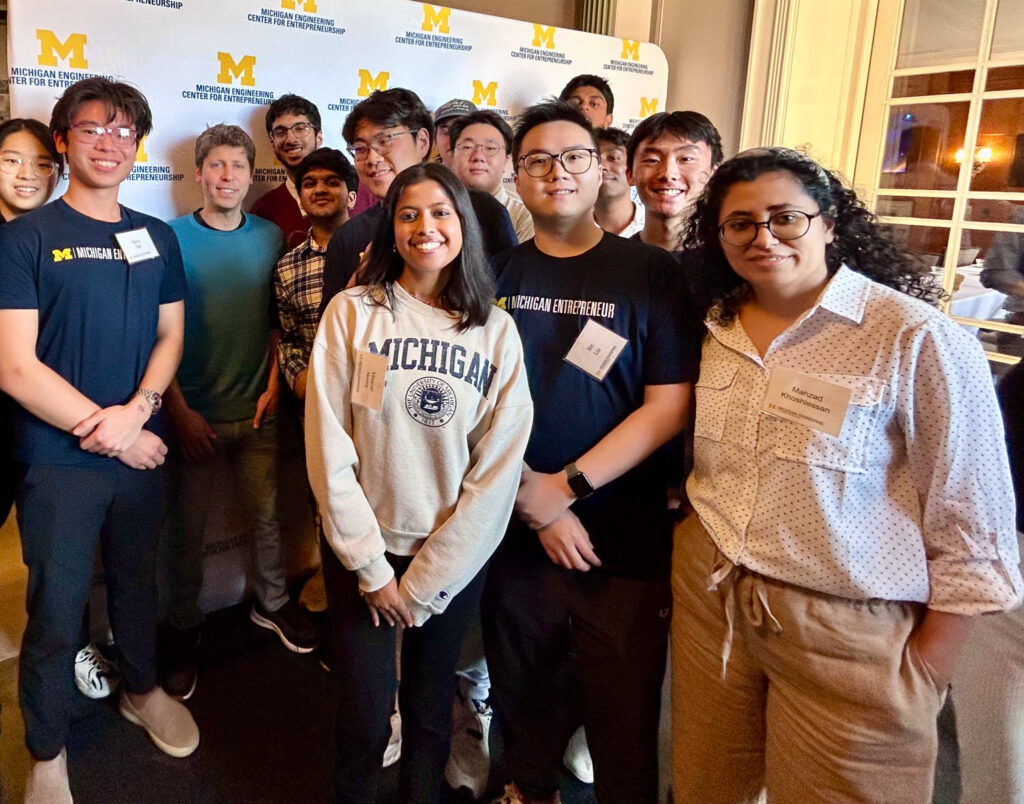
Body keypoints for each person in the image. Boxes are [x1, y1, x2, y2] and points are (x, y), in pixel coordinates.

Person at [672, 146, 1023, 802]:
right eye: (740, 223)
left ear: (830, 223)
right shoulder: (717, 328)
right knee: (705, 787)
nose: (763, 237)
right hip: (715, 597)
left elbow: (972, 517)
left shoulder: (914, 338)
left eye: (786, 218)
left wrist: (922, 668)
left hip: (848, 625)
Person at [483, 101, 698, 804]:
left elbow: (668, 404)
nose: (558, 172)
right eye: (538, 160)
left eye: (574, 156)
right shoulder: (492, 275)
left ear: (603, 169)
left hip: (622, 535)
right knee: (523, 693)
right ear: (517, 178)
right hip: (512, 528)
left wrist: (565, 490)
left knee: (623, 714)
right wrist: (530, 498)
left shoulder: (649, 273)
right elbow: (467, 407)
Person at [305, 161, 532, 803]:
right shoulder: (354, 314)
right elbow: (328, 445)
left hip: (450, 557)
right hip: (363, 550)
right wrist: (372, 568)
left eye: (440, 213)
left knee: (431, 712)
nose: (424, 227)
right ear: (389, 227)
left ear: (463, 225)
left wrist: (429, 578)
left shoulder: (496, 331)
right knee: (365, 717)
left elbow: (497, 470)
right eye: (408, 214)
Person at [0, 77, 197, 802]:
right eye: (91, 129)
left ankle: (141, 690)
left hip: (141, 448)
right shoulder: (26, 237)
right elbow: (15, 367)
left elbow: (172, 334)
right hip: (59, 460)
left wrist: (139, 411)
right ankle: (46, 747)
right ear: (63, 141)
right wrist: (110, 431)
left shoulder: (157, 236)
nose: (109, 143)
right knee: (56, 608)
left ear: (138, 146)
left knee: (138, 587)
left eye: (123, 132)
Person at [160, 124, 316, 700]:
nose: (227, 177)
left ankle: (272, 605)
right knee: (185, 536)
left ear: (254, 176)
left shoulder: (274, 237)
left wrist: (274, 388)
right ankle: (180, 631)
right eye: (217, 166)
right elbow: (158, 333)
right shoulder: (170, 237)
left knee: (269, 519)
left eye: (238, 167)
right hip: (191, 418)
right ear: (199, 173)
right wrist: (177, 411)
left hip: (259, 413)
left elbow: (282, 326)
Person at [319, 88, 516, 317]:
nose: (372, 158)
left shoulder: (483, 211)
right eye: (361, 149)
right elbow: (334, 327)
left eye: (385, 141)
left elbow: (510, 303)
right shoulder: (348, 236)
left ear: (422, 141)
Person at [276, 148, 358, 405]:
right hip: (317, 406)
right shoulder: (288, 266)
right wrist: (301, 379)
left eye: (332, 182)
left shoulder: (376, 252)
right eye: (310, 184)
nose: (320, 189)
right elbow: (288, 340)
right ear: (301, 199)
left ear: (352, 197)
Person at [627, 110, 722, 252]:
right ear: (629, 174)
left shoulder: (733, 264)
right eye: (652, 160)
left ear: (714, 175)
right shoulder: (613, 263)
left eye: (686, 159)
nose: (668, 173)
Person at [251, 94, 324, 249]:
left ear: (319, 137)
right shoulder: (263, 211)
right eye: (280, 131)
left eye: (300, 129)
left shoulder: (359, 193)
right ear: (272, 143)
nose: (290, 139)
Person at [449, 110, 533, 243]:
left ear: (506, 161)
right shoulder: (436, 209)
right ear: (452, 156)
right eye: (467, 147)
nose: (478, 156)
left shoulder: (523, 217)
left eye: (490, 148)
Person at [593, 126, 644, 238]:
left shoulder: (651, 228)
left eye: (614, 158)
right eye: (594, 159)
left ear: (632, 172)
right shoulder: (570, 231)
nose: (602, 166)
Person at [432, 98, 476, 167]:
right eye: (447, 131)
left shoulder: (492, 176)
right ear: (435, 140)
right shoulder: (422, 176)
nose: (455, 138)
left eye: (463, 129)